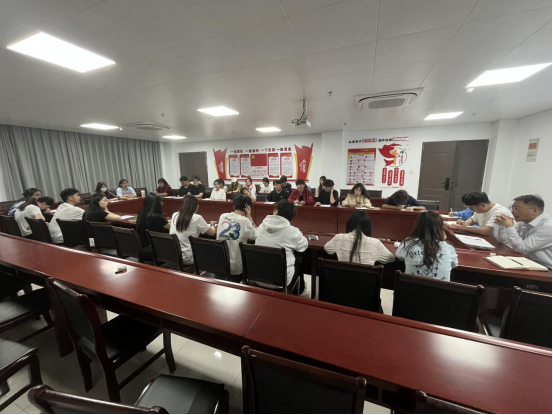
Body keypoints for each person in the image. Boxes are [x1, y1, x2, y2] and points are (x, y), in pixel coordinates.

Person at [255, 200, 308, 293]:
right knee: (299, 262)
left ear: (276, 211)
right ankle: (299, 290)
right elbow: (303, 246)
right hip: (280, 281)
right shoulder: (293, 231)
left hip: (257, 277)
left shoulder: (261, 226)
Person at [396, 211, 459, 281]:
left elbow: (399, 256)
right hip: (440, 288)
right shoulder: (449, 248)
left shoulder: (408, 243)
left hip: (411, 287)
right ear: (440, 229)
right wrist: (443, 240)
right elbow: (454, 264)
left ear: (417, 226)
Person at [494, 195, 552, 269]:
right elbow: (503, 241)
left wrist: (509, 226)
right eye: (512, 208)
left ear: (534, 210)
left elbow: (521, 248)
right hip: (526, 262)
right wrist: (501, 226)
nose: (512, 212)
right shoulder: (523, 222)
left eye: (516, 208)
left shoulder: (548, 226)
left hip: (546, 268)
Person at [325, 211, 395, 265]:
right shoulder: (376, 243)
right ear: (367, 226)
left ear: (349, 224)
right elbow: (391, 258)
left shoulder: (338, 238)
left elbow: (327, 248)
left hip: (342, 279)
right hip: (366, 279)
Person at [170, 196, 217, 272]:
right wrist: (212, 225)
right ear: (196, 207)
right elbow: (212, 233)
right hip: (188, 258)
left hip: (173, 256)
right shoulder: (197, 217)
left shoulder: (174, 215)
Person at [217, 195, 257, 280]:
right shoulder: (245, 221)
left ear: (234, 206)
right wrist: (250, 217)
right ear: (248, 208)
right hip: (236, 269)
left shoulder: (222, 216)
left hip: (220, 265)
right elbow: (257, 235)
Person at [447, 192, 512, 236]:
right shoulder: (479, 209)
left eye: (472, 209)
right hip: (488, 239)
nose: (472, 210)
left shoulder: (499, 212)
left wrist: (460, 227)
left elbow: (486, 231)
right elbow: (473, 220)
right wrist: (464, 223)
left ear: (482, 205)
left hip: (504, 245)